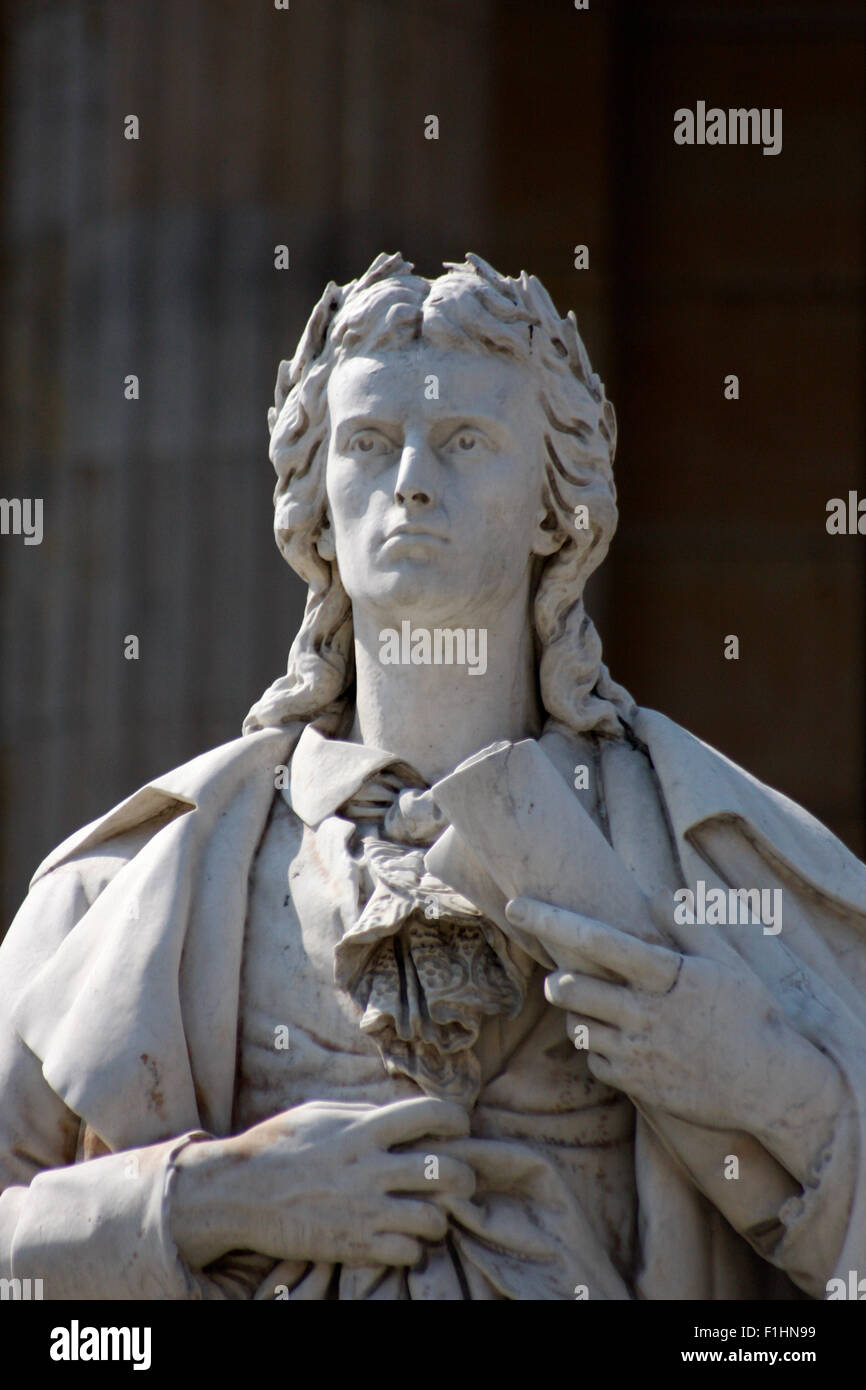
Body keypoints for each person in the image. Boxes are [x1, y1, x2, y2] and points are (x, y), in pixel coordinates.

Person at [2, 252, 865, 1300]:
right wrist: (206, 1201)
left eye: (464, 441)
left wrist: (776, 1093)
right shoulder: (137, 880)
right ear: (313, 503)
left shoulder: (723, 857)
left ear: (558, 506)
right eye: (369, 442)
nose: (410, 477)